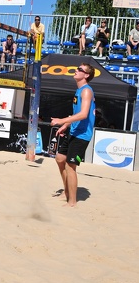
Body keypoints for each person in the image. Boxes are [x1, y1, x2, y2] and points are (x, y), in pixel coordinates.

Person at [51, 62, 96, 207]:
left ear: (86, 75)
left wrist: (61, 120)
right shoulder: (79, 90)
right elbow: (77, 114)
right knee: (59, 159)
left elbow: (83, 114)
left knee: (71, 166)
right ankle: (66, 191)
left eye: (80, 69)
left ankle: (72, 202)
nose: (76, 71)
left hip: (82, 135)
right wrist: (66, 125)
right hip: (74, 131)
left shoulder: (86, 91)